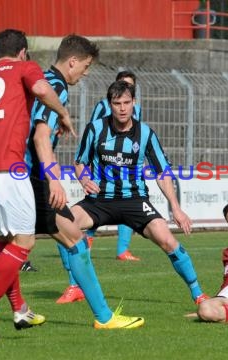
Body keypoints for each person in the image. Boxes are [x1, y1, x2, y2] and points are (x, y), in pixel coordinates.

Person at [0, 32, 143, 342]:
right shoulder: (53, 85)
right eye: (84, 68)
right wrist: (53, 178)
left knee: (6, 242)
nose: (84, 75)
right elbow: (40, 137)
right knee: (71, 241)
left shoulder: (24, 78)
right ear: (72, 62)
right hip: (28, 176)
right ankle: (103, 317)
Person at [71, 80, 208, 305]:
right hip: (99, 199)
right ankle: (74, 287)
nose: (123, 108)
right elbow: (79, 162)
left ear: (134, 103)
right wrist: (84, 178)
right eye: (117, 103)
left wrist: (176, 208)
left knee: (168, 241)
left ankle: (198, 294)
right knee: (65, 225)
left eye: (127, 102)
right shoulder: (95, 129)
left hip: (135, 200)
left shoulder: (145, 134)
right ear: (110, 104)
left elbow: (162, 173)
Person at [56, 70, 141, 304]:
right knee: (73, 226)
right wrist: (87, 175)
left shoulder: (137, 112)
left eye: (130, 89)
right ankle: (75, 280)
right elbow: (92, 136)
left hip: (126, 179)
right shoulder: (103, 110)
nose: (123, 103)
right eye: (122, 86)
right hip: (100, 177)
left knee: (127, 215)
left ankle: (120, 251)